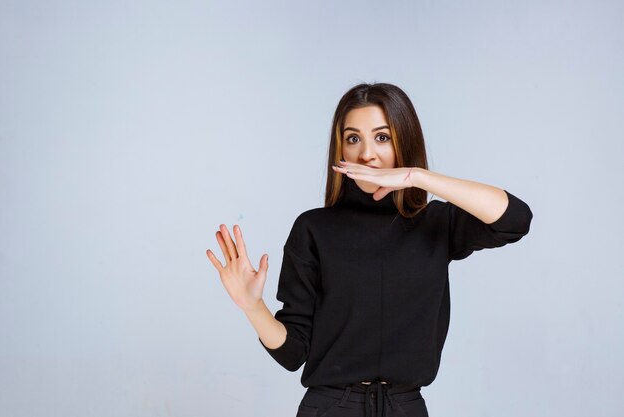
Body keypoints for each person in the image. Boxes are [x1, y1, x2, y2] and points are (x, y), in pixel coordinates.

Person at [206, 82, 533, 417]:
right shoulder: (314, 229)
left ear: (404, 141)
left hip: (405, 407)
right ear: (341, 150)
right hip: (331, 407)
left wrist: (417, 177)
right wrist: (251, 305)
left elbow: (515, 219)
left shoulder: (435, 224)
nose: (366, 153)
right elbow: (293, 354)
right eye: (353, 139)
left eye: (382, 137)